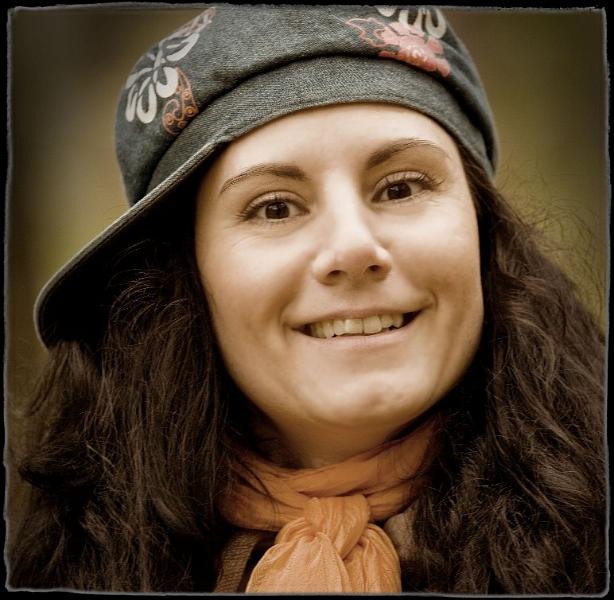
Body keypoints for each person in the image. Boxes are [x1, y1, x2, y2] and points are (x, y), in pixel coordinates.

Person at [8, 4, 606, 593]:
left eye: (401, 188)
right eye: (274, 208)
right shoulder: (68, 567)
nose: (352, 247)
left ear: (483, 233)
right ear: (183, 277)